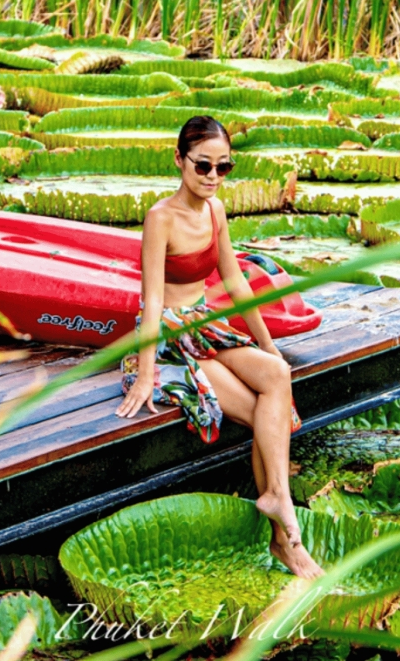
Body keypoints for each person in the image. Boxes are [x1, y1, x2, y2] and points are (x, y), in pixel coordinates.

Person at [115, 115, 323, 578]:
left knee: (277, 375)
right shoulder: (160, 218)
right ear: (179, 160)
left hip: (204, 325)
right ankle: (284, 536)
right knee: (263, 415)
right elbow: (151, 300)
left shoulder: (216, 211)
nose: (212, 176)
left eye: (223, 167)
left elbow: (235, 282)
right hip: (168, 338)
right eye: (202, 166)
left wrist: (268, 347)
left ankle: (277, 500)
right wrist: (145, 374)